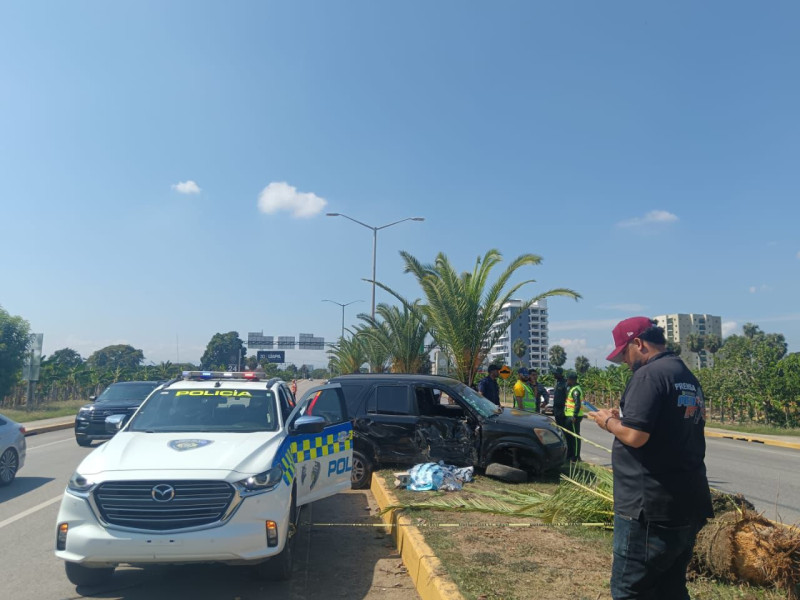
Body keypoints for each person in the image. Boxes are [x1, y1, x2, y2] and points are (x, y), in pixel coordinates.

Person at [589, 317, 713, 600]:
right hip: (686, 503)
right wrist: (626, 421)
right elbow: (663, 425)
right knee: (670, 589)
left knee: (629, 590)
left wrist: (607, 422)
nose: (624, 361)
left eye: (624, 353)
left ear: (638, 343)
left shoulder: (648, 375)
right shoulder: (685, 376)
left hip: (649, 510)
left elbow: (635, 436)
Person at [563, 371, 584, 461]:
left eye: (568, 379)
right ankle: (570, 454)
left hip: (573, 416)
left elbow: (577, 404)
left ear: (571, 380)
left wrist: (574, 415)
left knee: (575, 437)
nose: (567, 381)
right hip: (569, 415)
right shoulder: (572, 388)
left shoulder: (576, 390)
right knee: (569, 436)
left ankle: (576, 456)